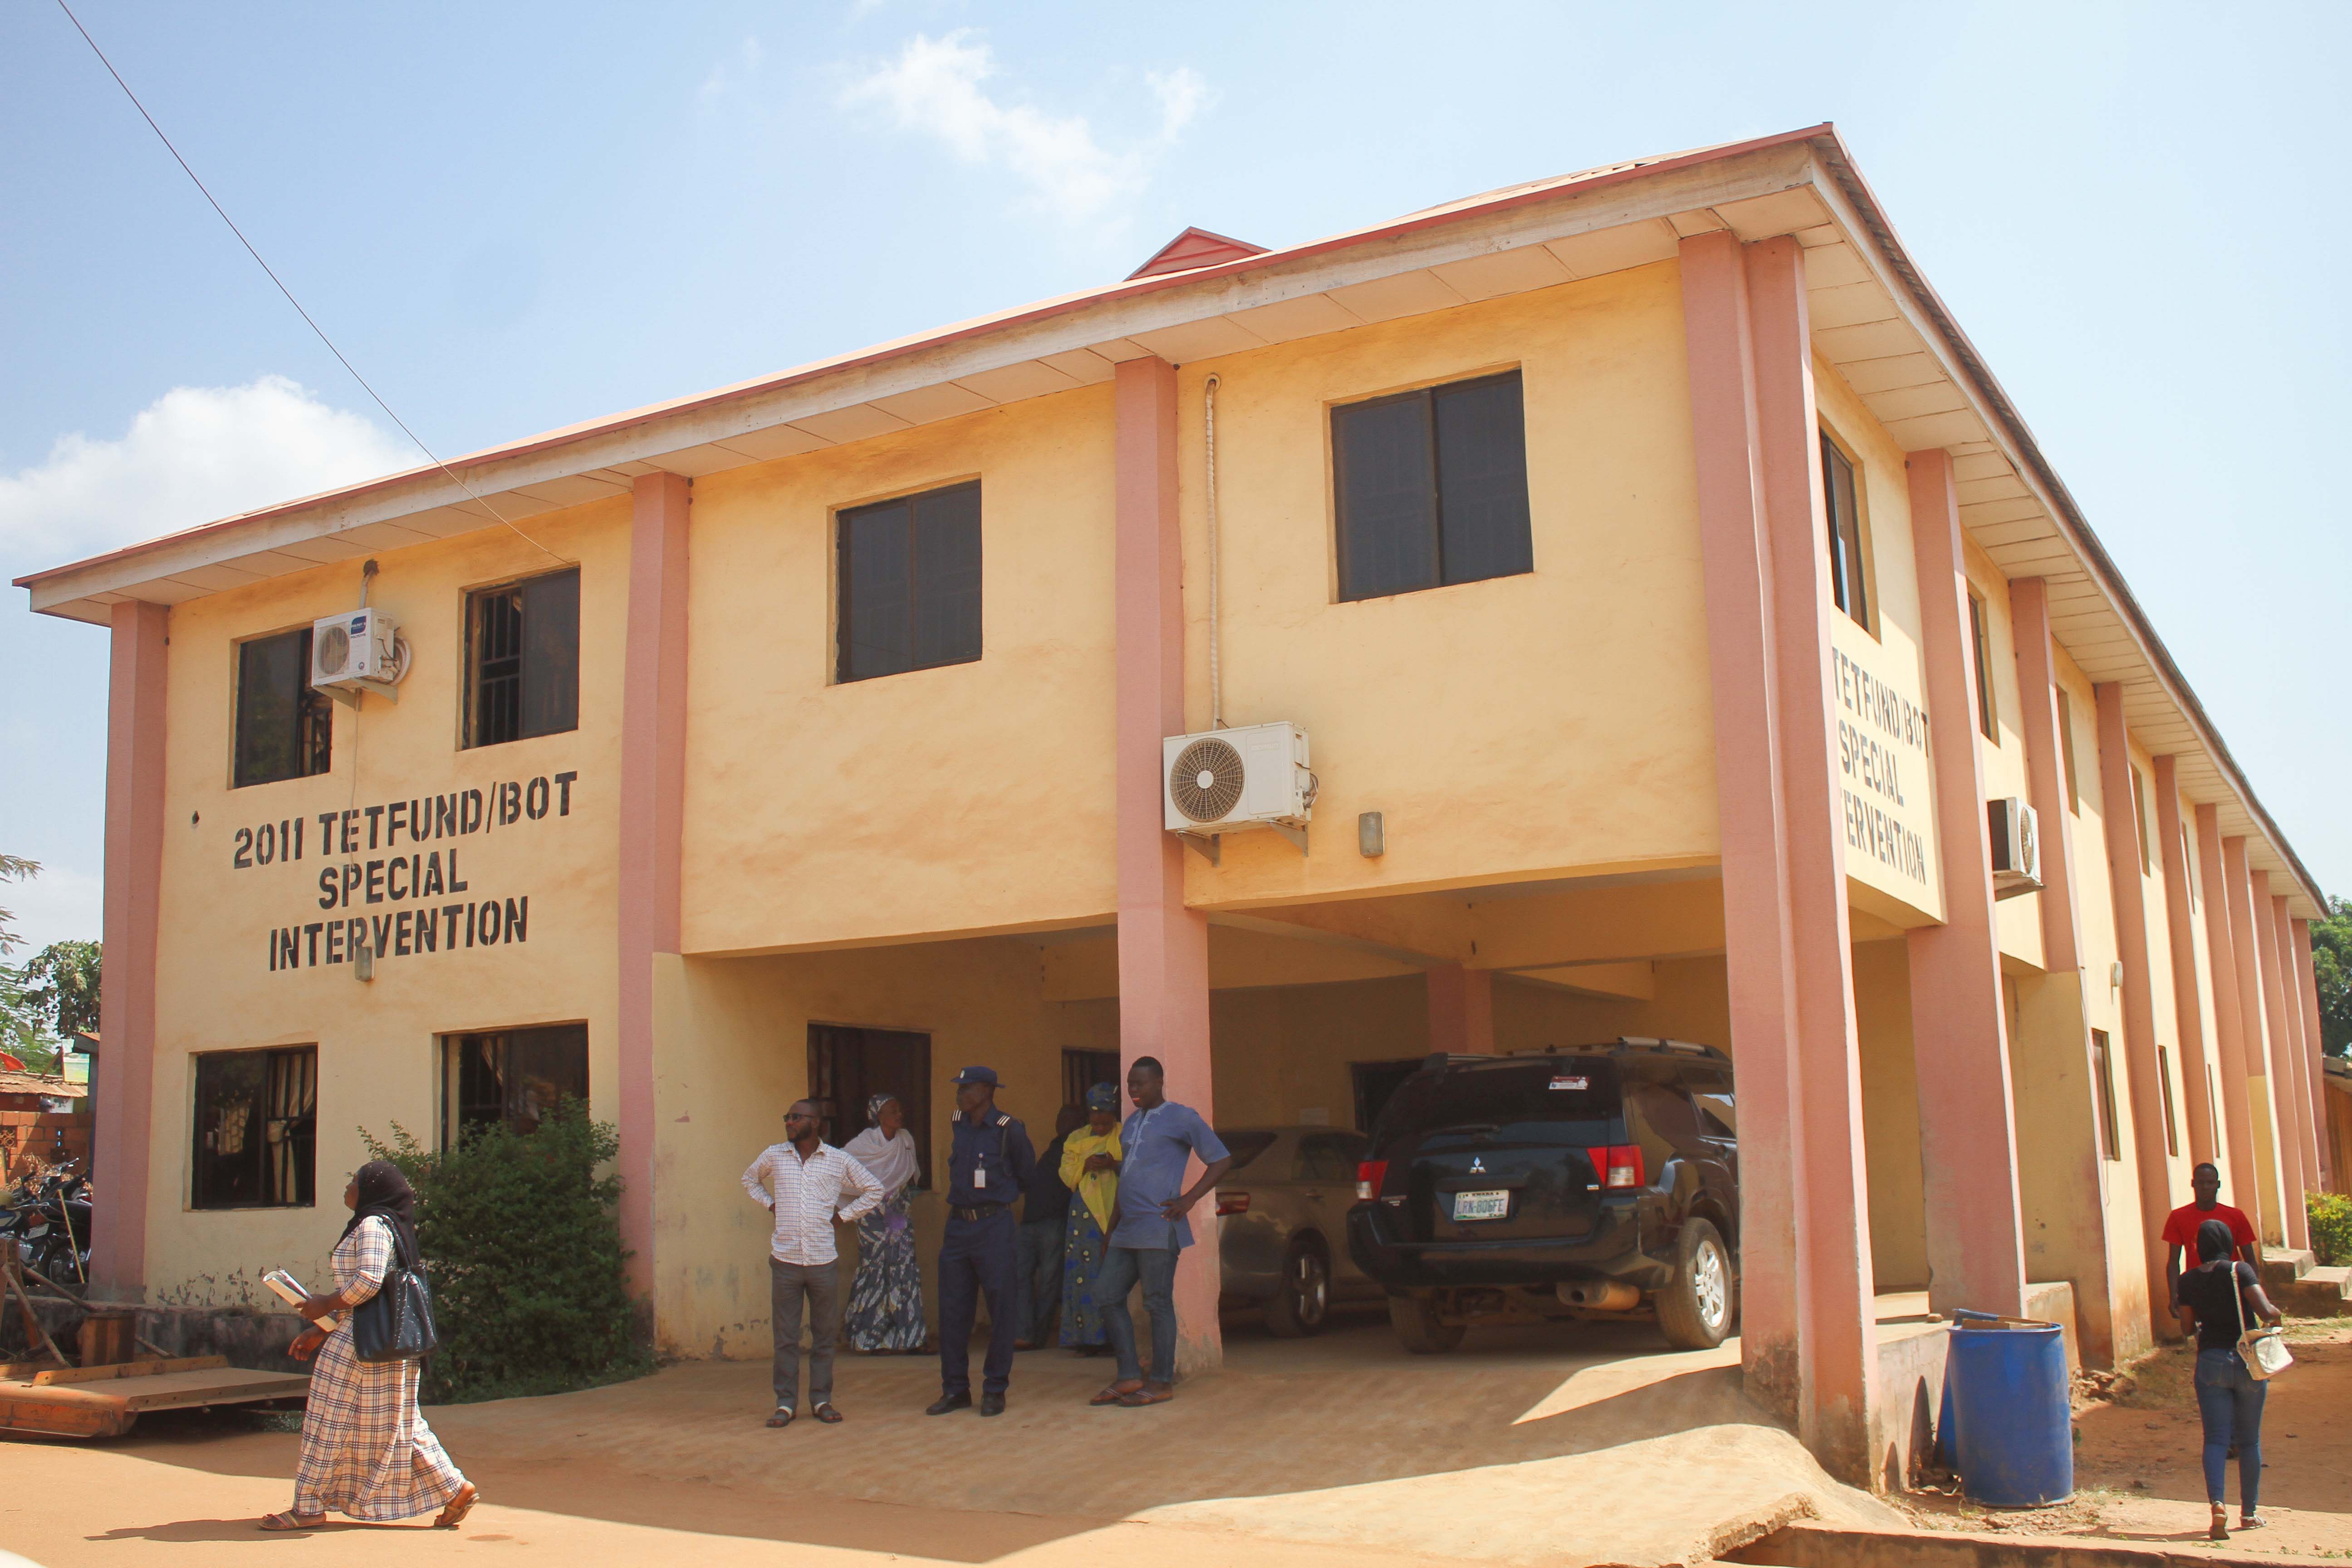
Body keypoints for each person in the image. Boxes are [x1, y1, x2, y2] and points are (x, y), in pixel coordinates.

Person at [261, 1161, 477, 1532]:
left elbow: (368, 1283)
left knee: (327, 1420)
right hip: (376, 1342)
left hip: (362, 1345)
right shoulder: (383, 1224)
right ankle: (455, 1488)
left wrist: (325, 1304)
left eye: (354, 1182)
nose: (347, 1188)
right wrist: (322, 1330)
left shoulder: (373, 1225)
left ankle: (308, 1506)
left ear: (372, 1191)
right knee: (399, 1422)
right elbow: (370, 1298)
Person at [1089, 1056, 1231, 1409]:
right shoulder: (1131, 1124)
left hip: (1159, 1225)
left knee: (1157, 1303)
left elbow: (1221, 1159)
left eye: (1141, 1083)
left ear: (1159, 1082)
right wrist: (1110, 1230)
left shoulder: (1182, 1117)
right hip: (1127, 1228)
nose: (1134, 1090)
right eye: (1130, 1084)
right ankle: (1129, 1375)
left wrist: (1189, 1199)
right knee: (1107, 1295)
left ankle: (1162, 1381)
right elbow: (1128, 1178)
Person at [741, 1100, 883, 1428]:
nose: (789, 1122)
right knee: (786, 1338)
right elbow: (750, 1180)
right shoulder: (775, 1155)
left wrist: (844, 1216)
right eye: (787, 1117)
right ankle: (786, 1403)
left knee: (823, 1337)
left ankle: (821, 1399)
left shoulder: (838, 1159)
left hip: (822, 1262)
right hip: (786, 1261)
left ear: (816, 1122)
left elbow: (874, 1189)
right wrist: (770, 1204)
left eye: (796, 1117)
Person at [928, 1066, 1036, 1417]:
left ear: (988, 1091)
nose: (960, 1093)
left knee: (1001, 1308)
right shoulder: (958, 1121)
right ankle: (956, 1389)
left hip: (994, 1225)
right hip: (958, 1226)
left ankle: (995, 1389)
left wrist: (996, 1199)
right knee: (953, 1311)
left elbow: (1026, 1175)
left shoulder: (1009, 1129)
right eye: (959, 1087)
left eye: (967, 1088)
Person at [2175, 1216, 2283, 1540]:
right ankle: (2249, 1514)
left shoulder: (2187, 1280)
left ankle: (2217, 1506)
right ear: (2228, 1244)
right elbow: (2265, 1311)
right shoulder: (2240, 1271)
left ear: (2199, 1247)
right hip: (2247, 1363)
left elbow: (2185, 1327)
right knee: (2249, 1441)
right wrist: (2276, 1314)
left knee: (2216, 1440)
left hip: (2210, 1361)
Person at [842, 1093, 926, 1353]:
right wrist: (872, 1195)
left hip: (899, 1214)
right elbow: (841, 1171)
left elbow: (909, 1176)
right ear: (879, 1116)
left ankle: (908, 1338)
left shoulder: (906, 1140)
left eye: (900, 1110)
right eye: (892, 1111)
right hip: (872, 1215)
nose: (899, 1114)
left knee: (903, 1266)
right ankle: (867, 1339)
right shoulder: (862, 1144)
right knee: (876, 1267)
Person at [1058, 1083, 1124, 1355]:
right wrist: (1085, 1166)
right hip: (1083, 1216)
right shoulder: (1076, 1138)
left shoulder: (1124, 1135)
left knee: (1109, 1275)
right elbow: (1066, 1172)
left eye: (1105, 1121)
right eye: (1095, 1121)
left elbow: (1134, 1167)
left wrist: (1113, 1165)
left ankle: (1111, 1339)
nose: (1099, 1126)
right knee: (1081, 1276)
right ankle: (1084, 1339)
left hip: (1114, 1214)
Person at [1014, 1104, 1085, 1350]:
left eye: (1068, 1117)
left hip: (1054, 1222)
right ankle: (1025, 1332)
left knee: (1049, 1281)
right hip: (1031, 1220)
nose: (1061, 1121)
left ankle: (1037, 1336)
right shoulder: (1055, 1146)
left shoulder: (1077, 1147)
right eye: (1060, 1116)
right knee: (1020, 1275)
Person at [2163, 1162, 2261, 1308]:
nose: (2205, 1187)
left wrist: (2252, 1291)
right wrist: (2174, 1296)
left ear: (2218, 1184)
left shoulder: (2236, 1216)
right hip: (2197, 1287)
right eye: (2201, 1183)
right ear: (2193, 1184)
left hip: (2231, 1286)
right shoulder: (2178, 1217)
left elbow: (2250, 1260)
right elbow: (2173, 1262)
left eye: (2210, 1183)